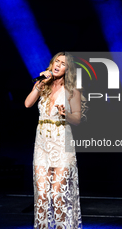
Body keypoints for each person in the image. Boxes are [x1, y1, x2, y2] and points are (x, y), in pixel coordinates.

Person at [25, 52, 87, 229]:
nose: (58, 65)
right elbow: (28, 104)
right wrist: (40, 84)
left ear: (69, 69)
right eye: (56, 61)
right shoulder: (42, 84)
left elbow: (77, 119)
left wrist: (65, 114)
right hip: (42, 145)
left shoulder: (72, 89)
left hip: (61, 145)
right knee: (43, 194)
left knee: (58, 194)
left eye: (63, 64)